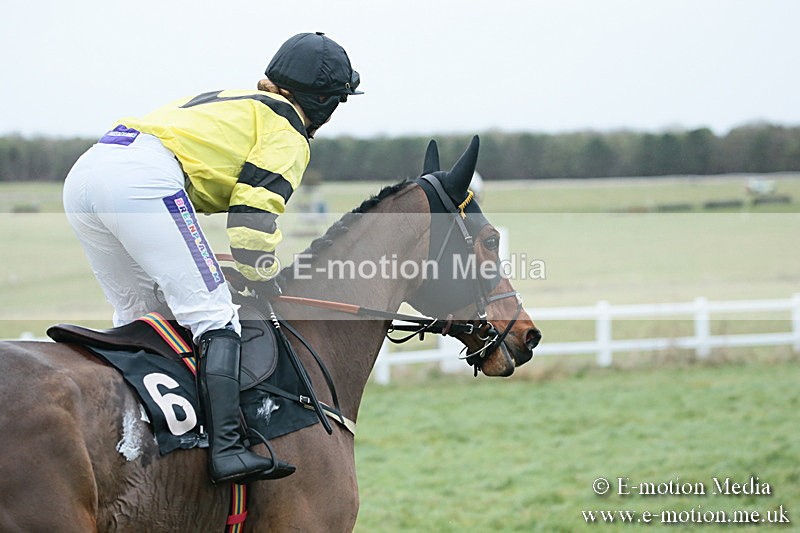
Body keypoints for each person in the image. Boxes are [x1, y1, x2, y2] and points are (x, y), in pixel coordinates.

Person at [62, 32, 362, 484]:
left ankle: (137, 436)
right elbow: (251, 221)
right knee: (216, 314)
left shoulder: (240, 98)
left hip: (88, 172)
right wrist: (263, 275)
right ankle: (228, 450)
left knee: (140, 314)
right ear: (323, 101)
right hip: (142, 181)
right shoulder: (288, 131)